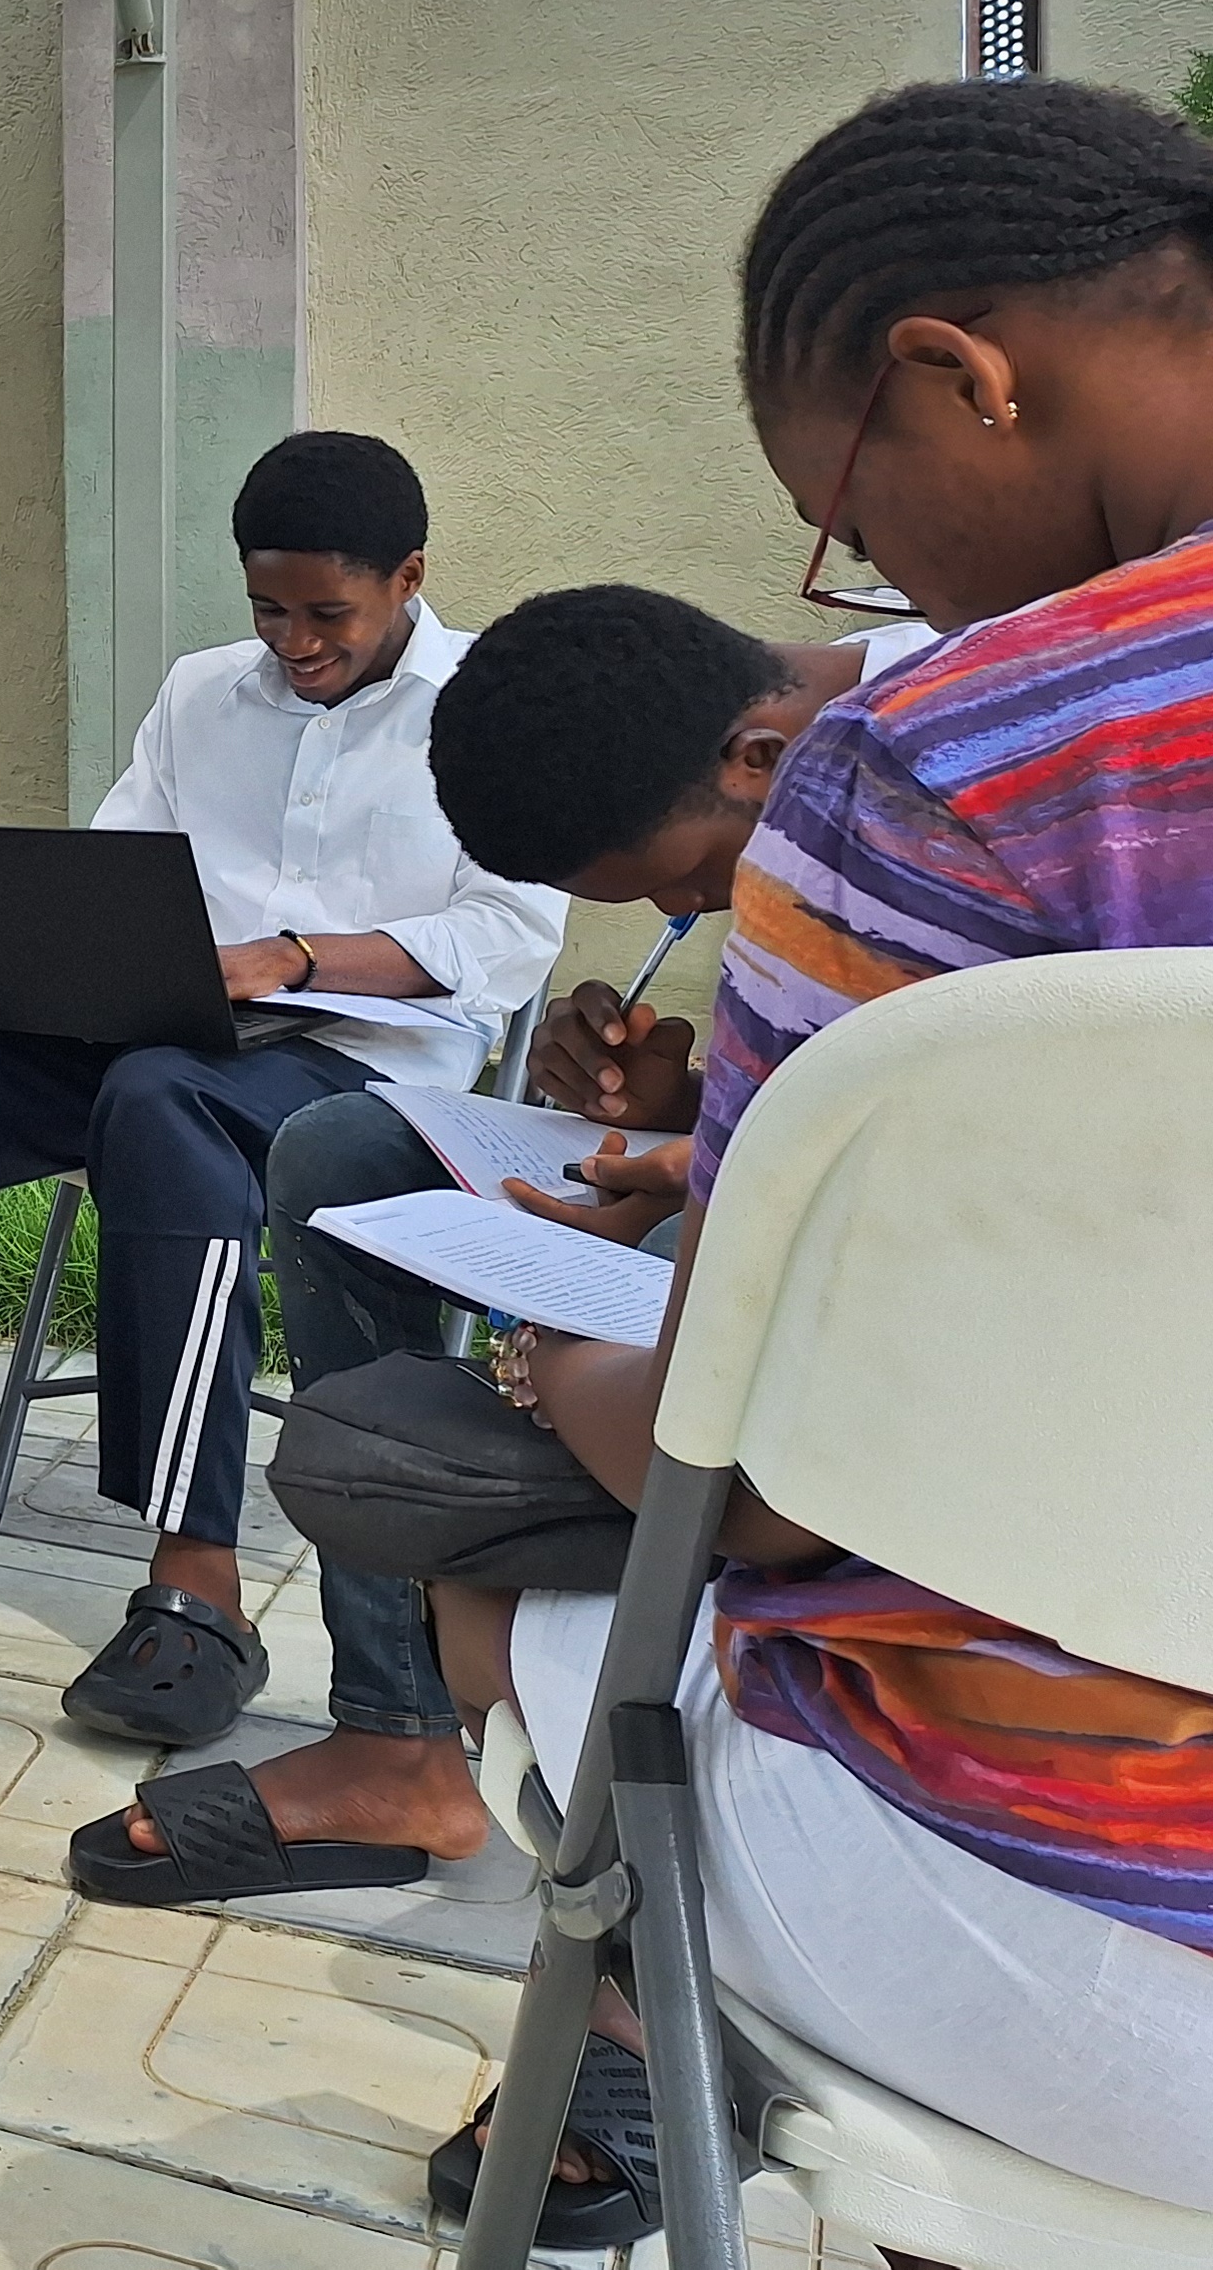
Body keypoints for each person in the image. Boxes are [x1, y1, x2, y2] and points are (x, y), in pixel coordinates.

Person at [435, 76, 1213, 2230]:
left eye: (850, 529)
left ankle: (584, 2067)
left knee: (509, 1592)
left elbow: (763, 1479)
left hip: (1103, 1925)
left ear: (955, 377)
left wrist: (574, 1378)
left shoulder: (957, 756)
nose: (872, 586)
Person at [0, 432, 568, 1760]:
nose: (295, 643)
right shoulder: (201, 695)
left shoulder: (487, 710)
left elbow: (508, 941)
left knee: (160, 1106)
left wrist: (293, 961)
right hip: (161, 1031)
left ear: (408, 579)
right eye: (269, 610)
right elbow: (113, 874)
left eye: (328, 613)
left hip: (361, 1075)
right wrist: (57, 961)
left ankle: (197, 1588)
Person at [71, 584, 932, 1905]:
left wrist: (566, 1343)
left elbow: (951, 1157)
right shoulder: (806, 760)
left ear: (755, 762)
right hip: (783, 1224)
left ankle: (582, 1720)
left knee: (377, 1460)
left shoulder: (954, 769)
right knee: (343, 1152)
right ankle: (397, 1746)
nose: (699, 918)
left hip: (888, 1355)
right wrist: (682, 1118)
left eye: (692, 884)